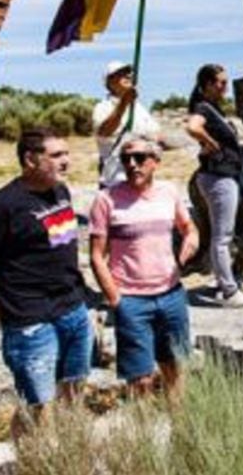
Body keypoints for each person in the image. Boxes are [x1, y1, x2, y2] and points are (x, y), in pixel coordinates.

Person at [0, 128, 90, 437]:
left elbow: (60, 248)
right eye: (56, 155)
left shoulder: (61, 192)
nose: (66, 161)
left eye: (67, 153)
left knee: (73, 389)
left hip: (72, 309)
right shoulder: (2, 206)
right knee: (37, 405)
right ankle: (32, 463)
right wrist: (6, 294)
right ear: (30, 159)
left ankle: (70, 458)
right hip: (31, 319)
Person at [89, 137, 199, 397]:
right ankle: (145, 434)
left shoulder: (169, 192)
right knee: (140, 379)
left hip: (171, 295)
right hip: (131, 300)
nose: (132, 164)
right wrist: (116, 299)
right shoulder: (106, 199)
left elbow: (188, 227)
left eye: (140, 158)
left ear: (156, 162)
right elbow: (96, 256)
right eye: (126, 159)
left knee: (174, 367)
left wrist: (191, 240)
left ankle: (180, 430)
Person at [185, 64, 243, 307]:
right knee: (223, 236)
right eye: (220, 82)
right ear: (207, 84)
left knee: (222, 235)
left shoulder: (212, 108)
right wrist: (209, 142)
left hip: (219, 176)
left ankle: (222, 283)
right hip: (218, 177)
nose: (225, 87)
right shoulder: (203, 108)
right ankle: (229, 292)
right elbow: (192, 127)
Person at [93, 61, 167, 189]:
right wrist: (124, 103)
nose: (128, 76)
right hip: (116, 178)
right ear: (109, 82)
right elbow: (104, 132)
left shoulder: (139, 108)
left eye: (128, 73)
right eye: (121, 73)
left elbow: (156, 134)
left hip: (142, 177)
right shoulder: (102, 107)